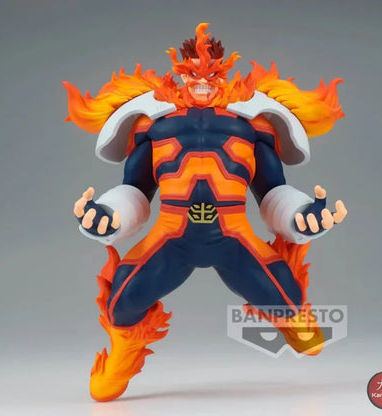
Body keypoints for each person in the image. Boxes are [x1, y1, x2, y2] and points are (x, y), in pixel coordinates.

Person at [64, 23, 347, 402]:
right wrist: (107, 215)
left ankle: (289, 314)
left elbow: (272, 192)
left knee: (300, 320)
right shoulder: (154, 126)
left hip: (234, 239)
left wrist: (301, 216)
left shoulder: (252, 126)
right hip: (170, 239)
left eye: (211, 73)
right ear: (180, 74)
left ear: (223, 74)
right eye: (192, 73)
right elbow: (135, 191)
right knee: (121, 304)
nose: (202, 81)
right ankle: (125, 352)